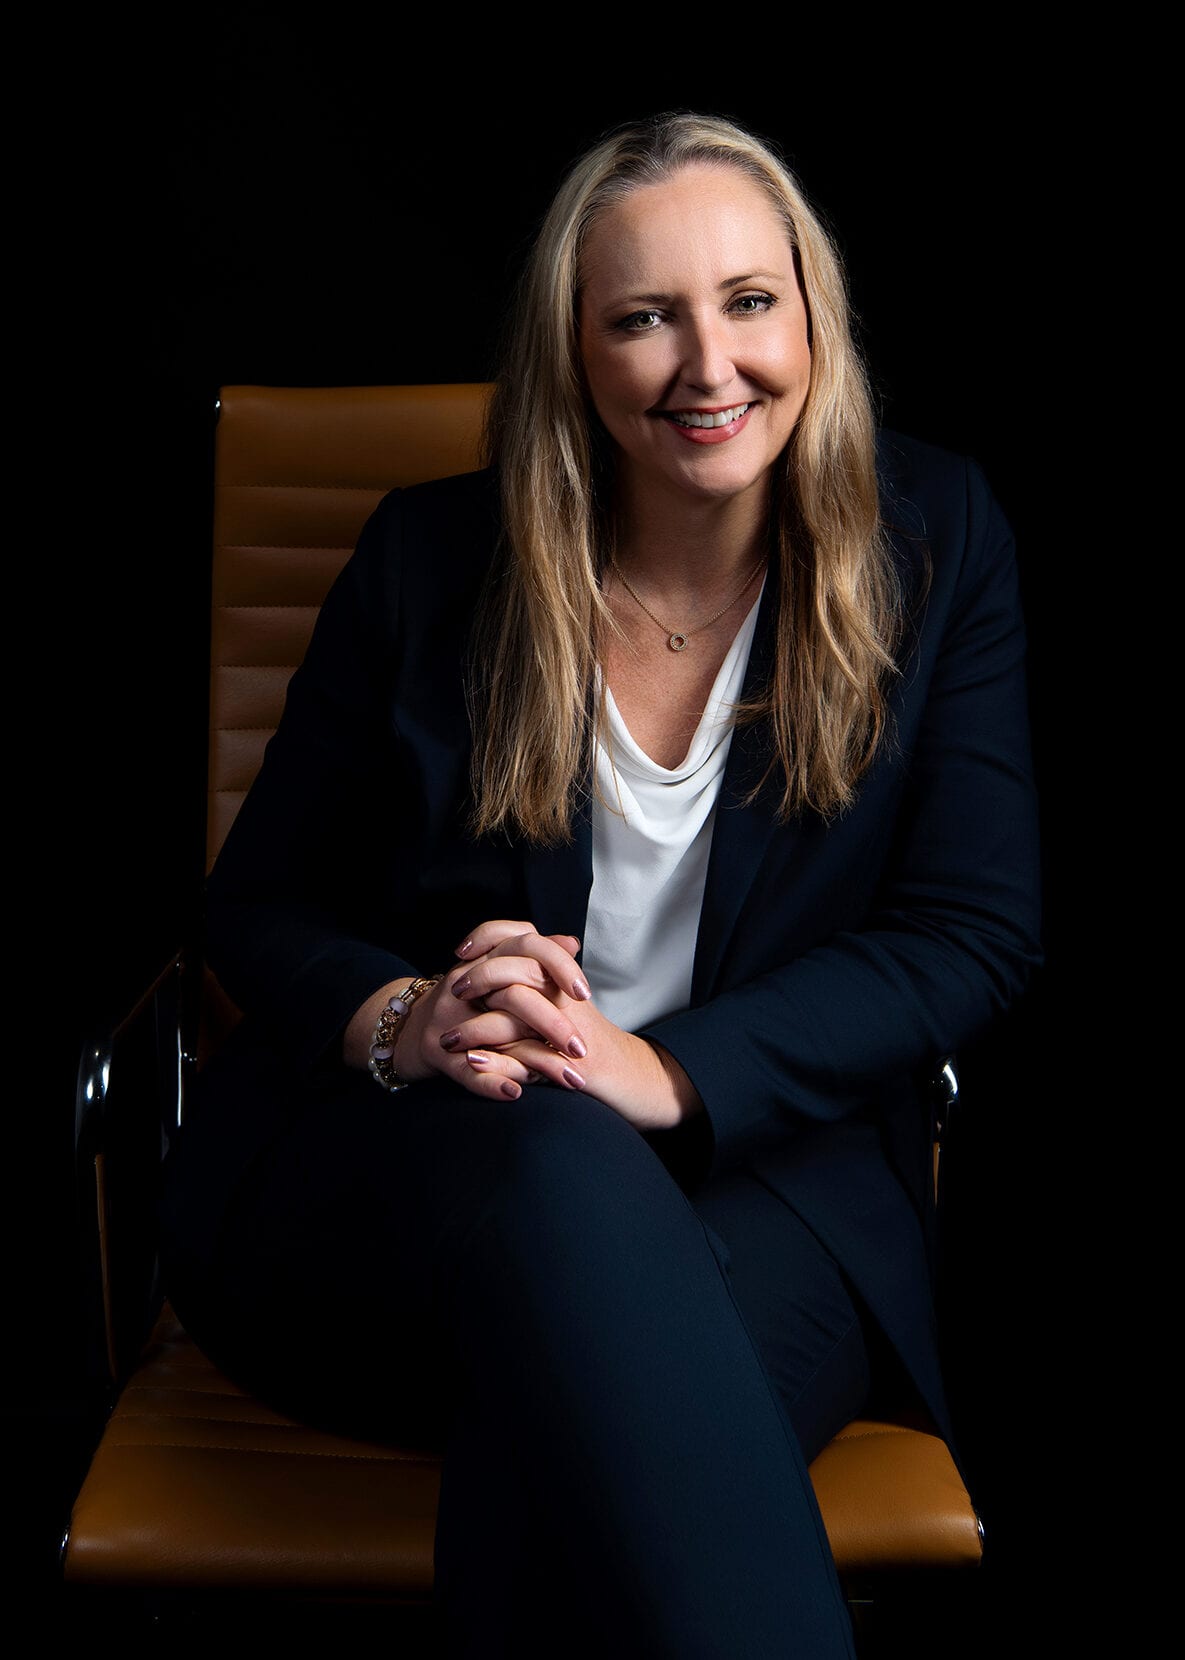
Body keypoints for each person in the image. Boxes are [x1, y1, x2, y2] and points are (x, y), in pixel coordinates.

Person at [157, 111, 1041, 1657]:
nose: (709, 365)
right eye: (643, 318)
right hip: (415, 1183)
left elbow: (970, 929)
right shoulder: (430, 561)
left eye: (748, 302)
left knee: (567, 1443)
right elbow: (257, 903)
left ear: (810, 316)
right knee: (556, 1172)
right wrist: (400, 1014)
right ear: (573, 353)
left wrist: (670, 1072)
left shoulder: (936, 537)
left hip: (769, 1192)